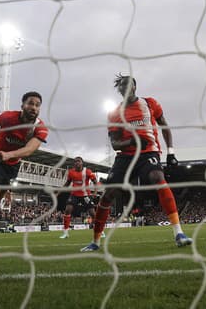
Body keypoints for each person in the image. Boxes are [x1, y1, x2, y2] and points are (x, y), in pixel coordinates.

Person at [81, 74, 192, 252]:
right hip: (125, 157)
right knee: (108, 195)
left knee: (158, 177)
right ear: (119, 90)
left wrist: (171, 152)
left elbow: (164, 125)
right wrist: (131, 142)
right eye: (121, 85)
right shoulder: (114, 113)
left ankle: (179, 233)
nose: (124, 87)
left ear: (135, 86)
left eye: (128, 83)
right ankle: (95, 241)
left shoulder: (150, 104)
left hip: (148, 152)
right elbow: (115, 143)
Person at [0, 91, 48, 256]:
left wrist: (8, 155)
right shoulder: (8, 117)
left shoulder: (40, 128)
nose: (34, 107)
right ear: (22, 105)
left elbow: (29, 149)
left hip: (12, 165)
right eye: (31, 103)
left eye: (37, 105)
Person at [59, 156, 99, 239]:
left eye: (78, 161)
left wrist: (95, 193)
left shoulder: (88, 172)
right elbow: (67, 183)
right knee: (67, 210)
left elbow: (95, 182)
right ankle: (65, 233)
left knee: (93, 213)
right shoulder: (71, 172)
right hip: (74, 195)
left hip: (85, 195)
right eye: (75, 161)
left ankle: (99, 231)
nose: (77, 163)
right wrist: (59, 192)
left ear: (82, 163)